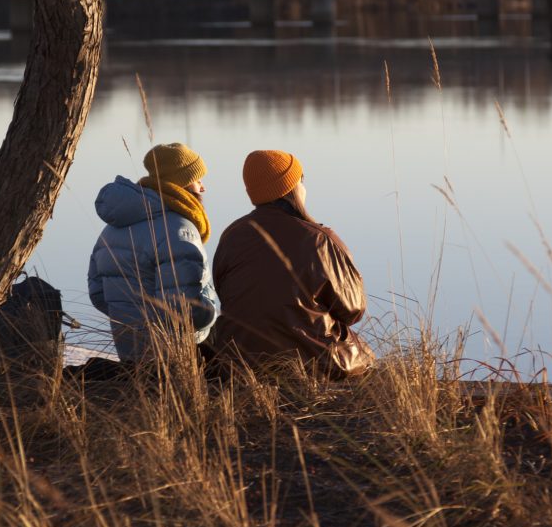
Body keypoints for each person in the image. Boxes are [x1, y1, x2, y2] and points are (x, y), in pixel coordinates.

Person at [209, 150, 374, 378]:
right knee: (363, 354)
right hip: (311, 364)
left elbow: (224, 293)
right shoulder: (319, 240)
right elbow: (353, 309)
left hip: (239, 362)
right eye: (301, 180)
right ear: (291, 188)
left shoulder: (231, 236)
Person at [88, 142, 217, 362]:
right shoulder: (177, 229)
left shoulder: (112, 229)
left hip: (130, 350)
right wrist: (211, 312)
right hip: (173, 357)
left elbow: (98, 293)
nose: (202, 187)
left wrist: (128, 320)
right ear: (182, 184)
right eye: (197, 180)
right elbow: (183, 309)